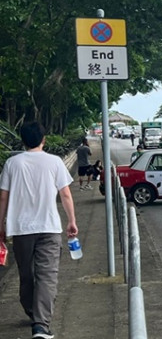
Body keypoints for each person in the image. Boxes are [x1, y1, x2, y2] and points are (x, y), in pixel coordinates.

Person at [0, 121, 78, 339]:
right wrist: (72, 220)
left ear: (22, 140)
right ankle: (40, 323)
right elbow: (65, 194)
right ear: (44, 139)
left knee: (27, 275)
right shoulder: (54, 162)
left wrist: (1, 225)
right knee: (47, 276)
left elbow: (3, 197)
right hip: (49, 227)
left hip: (21, 228)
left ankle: (36, 317)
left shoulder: (12, 163)